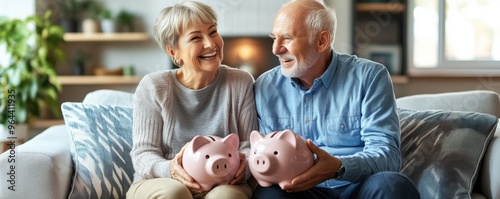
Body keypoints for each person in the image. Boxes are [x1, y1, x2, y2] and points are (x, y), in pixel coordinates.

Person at [252, 0, 420, 198]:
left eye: (287, 39)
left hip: (358, 187)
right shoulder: (265, 86)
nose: (276, 49)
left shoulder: (370, 77)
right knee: (267, 195)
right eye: (274, 38)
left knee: (393, 185)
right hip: (300, 191)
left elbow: (388, 156)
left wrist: (339, 167)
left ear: (322, 41)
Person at [126, 1, 258, 198]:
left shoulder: (240, 81)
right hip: (162, 181)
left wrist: (243, 165)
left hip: (223, 182)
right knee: (175, 193)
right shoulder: (154, 86)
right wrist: (171, 169)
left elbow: (248, 144)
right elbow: (143, 153)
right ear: (174, 52)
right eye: (196, 37)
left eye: (213, 32)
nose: (210, 43)